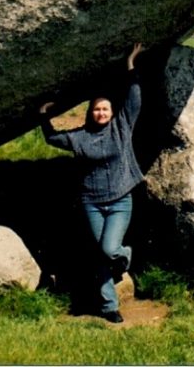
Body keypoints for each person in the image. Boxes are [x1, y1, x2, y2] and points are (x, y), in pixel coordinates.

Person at [38, 42, 144, 324]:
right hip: (92, 203)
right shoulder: (81, 137)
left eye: (106, 109)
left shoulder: (121, 128)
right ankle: (109, 306)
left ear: (112, 111)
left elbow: (134, 100)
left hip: (120, 199)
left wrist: (130, 64)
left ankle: (125, 255)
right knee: (100, 255)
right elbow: (52, 138)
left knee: (110, 249)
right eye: (97, 109)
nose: (102, 113)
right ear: (91, 112)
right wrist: (43, 116)